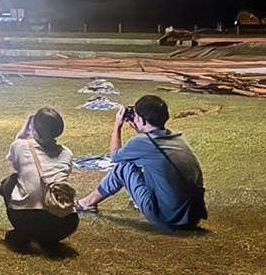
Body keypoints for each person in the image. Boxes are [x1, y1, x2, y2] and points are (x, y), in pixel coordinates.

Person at [76, 95, 206, 231]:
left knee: (123, 167)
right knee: (147, 167)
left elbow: (115, 156)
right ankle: (143, 202)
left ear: (142, 119)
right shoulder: (176, 137)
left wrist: (117, 125)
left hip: (168, 221)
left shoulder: (142, 142)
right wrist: (140, 129)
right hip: (191, 217)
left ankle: (88, 203)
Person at [0, 107, 78, 251]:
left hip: (27, 219)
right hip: (66, 223)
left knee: (8, 182)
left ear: (33, 126)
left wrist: (21, 136)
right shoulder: (67, 153)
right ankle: (48, 237)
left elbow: (15, 163)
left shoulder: (21, 145)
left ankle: (25, 231)